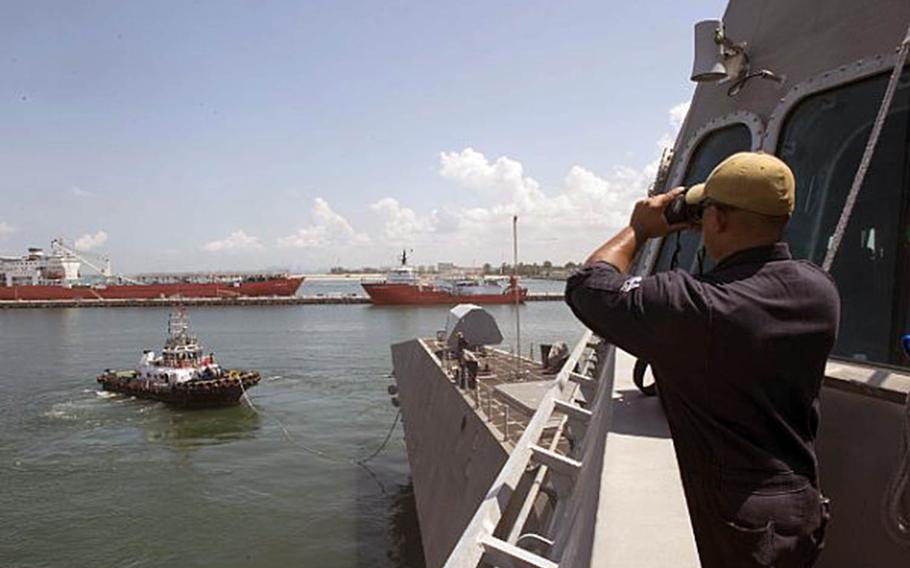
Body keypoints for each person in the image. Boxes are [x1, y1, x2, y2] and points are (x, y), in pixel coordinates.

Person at [565, 152, 839, 567]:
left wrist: (639, 229)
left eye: (707, 211)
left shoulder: (695, 306)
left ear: (719, 220)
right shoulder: (819, 290)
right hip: (800, 509)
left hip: (741, 526)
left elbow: (588, 285)